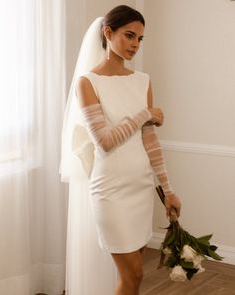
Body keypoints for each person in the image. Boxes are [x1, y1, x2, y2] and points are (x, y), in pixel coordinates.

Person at [60, 5, 181, 295]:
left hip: (140, 187)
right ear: (108, 33)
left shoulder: (143, 81)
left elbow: (150, 141)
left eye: (140, 39)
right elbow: (104, 142)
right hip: (111, 190)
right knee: (134, 274)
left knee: (133, 276)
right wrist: (145, 114)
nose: (135, 45)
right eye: (129, 36)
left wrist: (167, 188)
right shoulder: (87, 82)